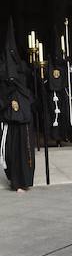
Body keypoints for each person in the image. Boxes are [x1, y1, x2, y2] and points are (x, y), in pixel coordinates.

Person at [0, 18, 35, 192]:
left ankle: (25, 180)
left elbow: (29, 90)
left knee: (25, 151)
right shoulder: (3, 74)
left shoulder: (22, 71)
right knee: (12, 152)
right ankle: (16, 182)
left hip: (24, 119)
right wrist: (8, 101)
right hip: (11, 122)